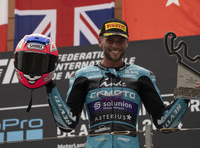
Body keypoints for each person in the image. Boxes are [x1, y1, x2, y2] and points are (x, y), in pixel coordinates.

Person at [45, 18, 189, 148]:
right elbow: (67, 123)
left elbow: (164, 123)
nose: (115, 45)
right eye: (110, 40)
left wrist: (186, 94)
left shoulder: (141, 75)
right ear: (100, 41)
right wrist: (50, 86)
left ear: (127, 42)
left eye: (120, 40)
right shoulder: (83, 76)